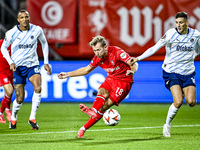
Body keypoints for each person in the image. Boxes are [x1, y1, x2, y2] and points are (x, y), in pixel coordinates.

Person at [130, 12, 200, 137]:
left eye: (181, 22)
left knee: (191, 102)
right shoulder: (170, 34)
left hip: (188, 72)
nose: (178, 25)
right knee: (178, 102)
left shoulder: (195, 34)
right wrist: (138, 58)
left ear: (187, 23)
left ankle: (183, 89)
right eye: (177, 22)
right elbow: (154, 48)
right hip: (172, 71)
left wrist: (195, 54)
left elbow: (196, 48)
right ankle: (167, 124)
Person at [58, 35, 138, 138]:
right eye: (95, 50)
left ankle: (84, 127)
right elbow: (85, 70)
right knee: (101, 91)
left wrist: (132, 71)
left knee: (104, 107)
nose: (97, 53)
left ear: (105, 47)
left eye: (99, 50)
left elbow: (133, 63)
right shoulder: (97, 58)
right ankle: (92, 112)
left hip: (124, 82)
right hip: (111, 78)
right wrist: (67, 74)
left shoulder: (117, 52)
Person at [1, 9, 52, 130]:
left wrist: (46, 62)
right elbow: (3, 48)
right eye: (22, 18)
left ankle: (32, 118)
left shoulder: (37, 30)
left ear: (29, 18)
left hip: (32, 65)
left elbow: (44, 43)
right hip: (18, 67)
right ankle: (13, 117)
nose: (24, 19)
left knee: (38, 87)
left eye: (26, 17)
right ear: (18, 20)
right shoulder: (11, 33)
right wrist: (11, 62)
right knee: (20, 98)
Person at [0, 39, 13, 123]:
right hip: (2, 72)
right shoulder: (1, 43)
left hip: (12, 72)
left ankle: (6, 110)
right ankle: (3, 112)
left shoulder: (16, 45)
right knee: (10, 91)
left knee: (8, 94)